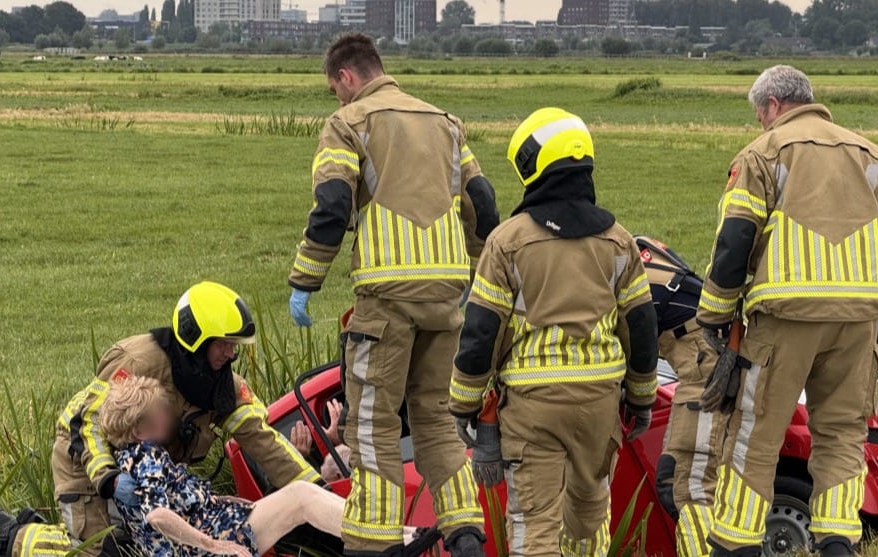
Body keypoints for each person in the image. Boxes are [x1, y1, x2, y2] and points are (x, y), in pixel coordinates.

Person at [286, 33, 500, 556]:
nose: (338, 98)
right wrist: (475, 272)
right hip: (446, 299)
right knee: (437, 423)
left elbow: (333, 205)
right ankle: (466, 534)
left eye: (336, 89)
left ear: (346, 77)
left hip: (386, 300)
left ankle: (372, 545)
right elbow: (484, 203)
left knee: (372, 426)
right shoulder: (445, 123)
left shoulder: (348, 123)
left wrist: (304, 280)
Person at [697, 66, 878, 557]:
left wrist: (713, 318)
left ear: (773, 104)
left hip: (785, 322)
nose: (760, 123)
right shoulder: (871, 156)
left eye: (760, 114)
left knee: (755, 438)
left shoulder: (763, 154)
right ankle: (838, 544)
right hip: (858, 322)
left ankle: (735, 547)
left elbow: (733, 245)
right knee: (840, 439)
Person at [448, 108, 660, 557]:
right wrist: (640, 400)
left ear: (536, 169)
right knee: (588, 520)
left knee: (533, 524)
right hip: (601, 403)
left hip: (533, 406)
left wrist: (463, 405)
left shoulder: (507, 243)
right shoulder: (619, 241)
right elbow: (641, 327)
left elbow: (480, 332)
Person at [0, 282, 324, 557]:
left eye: (235, 345)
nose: (232, 353)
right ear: (195, 337)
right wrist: (108, 479)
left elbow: (263, 440)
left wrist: (319, 488)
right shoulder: (139, 363)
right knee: (101, 551)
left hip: (141, 473)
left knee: (143, 544)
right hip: (83, 463)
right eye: (224, 344)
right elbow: (90, 425)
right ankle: (11, 538)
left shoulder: (222, 386)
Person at [100, 375, 436, 557]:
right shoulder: (147, 460)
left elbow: (180, 504)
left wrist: (230, 501)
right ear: (137, 429)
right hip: (212, 541)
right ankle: (390, 538)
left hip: (221, 525)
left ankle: (396, 537)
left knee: (300, 498)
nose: (166, 415)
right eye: (157, 412)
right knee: (302, 497)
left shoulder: (139, 458)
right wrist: (215, 546)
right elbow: (158, 516)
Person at [636, 236, 723, 557]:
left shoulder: (611, 271)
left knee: (688, 487)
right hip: (700, 361)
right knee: (675, 481)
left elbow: (633, 349)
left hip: (704, 365)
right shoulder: (631, 249)